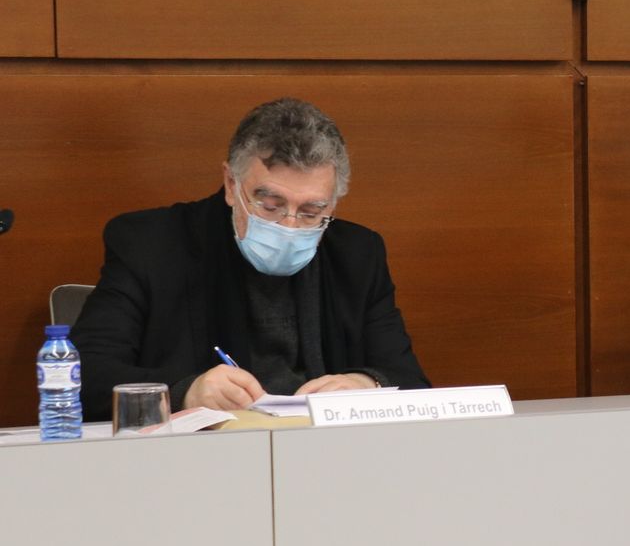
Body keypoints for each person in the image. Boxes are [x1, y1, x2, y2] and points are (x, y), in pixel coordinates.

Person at [73, 97, 429, 420]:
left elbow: (412, 383)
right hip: (198, 462)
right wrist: (184, 392)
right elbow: (84, 376)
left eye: (311, 211)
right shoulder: (153, 243)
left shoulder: (357, 253)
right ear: (231, 184)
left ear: (333, 203)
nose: (289, 224)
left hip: (328, 459)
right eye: (270, 205)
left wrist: (368, 385)